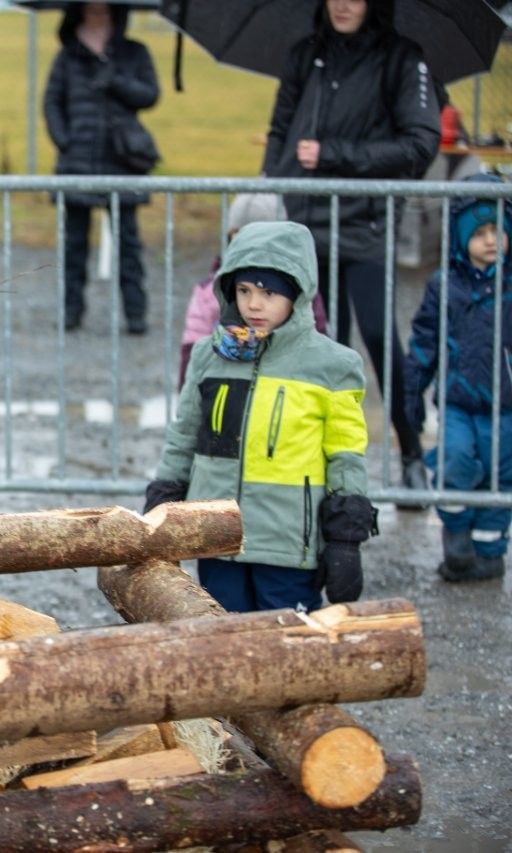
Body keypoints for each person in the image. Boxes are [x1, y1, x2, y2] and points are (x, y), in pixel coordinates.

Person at [146, 221, 376, 613]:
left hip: (287, 544)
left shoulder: (333, 366)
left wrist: (345, 539)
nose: (254, 304)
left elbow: (345, 456)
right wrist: (163, 498)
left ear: (297, 294)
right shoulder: (208, 357)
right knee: (220, 631)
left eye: (269, 293)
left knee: (287, 640)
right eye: (244, 291)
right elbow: (184, 434)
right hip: (216, 536)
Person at [263, 0, 440, 495]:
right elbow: (280, 131)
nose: (343, 3)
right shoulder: (305, 54)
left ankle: (411, 450)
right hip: (305, 224)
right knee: (317, 339)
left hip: (367, 225)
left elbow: (420, 145)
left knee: (379, 336)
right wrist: (273, 185)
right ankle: (320, 461)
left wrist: (334, 155)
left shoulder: (402, 58)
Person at [404, 174, 511, 583]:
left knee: (501, 478)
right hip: (458, 404)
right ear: (462, 237)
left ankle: (490, 550)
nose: (490, 240)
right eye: (480, 233)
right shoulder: (444, 285)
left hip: (506, 407)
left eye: (498, 231)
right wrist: (412, 393)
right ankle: (457, 536)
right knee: (455, 462)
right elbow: (425, 341)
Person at [43, 2, 159, 334]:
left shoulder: (134, 52)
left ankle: (135, 314)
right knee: (74, 244)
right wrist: (64, 140)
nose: (98, 16)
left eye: (104, 10)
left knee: (128, 244)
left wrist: (116, 81)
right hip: (76, 162)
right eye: (91, 10)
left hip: (122, 161)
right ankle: (71, 311)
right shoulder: (67, 57)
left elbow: (150, 94)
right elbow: (51, 102)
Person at [179, 194, 329, 387]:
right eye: (237, 237)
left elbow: (318, 342)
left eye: (269, 293)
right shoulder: (208, 290)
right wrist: (188, 390)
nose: (253, 304)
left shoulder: (302, 292)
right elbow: (192, 347)